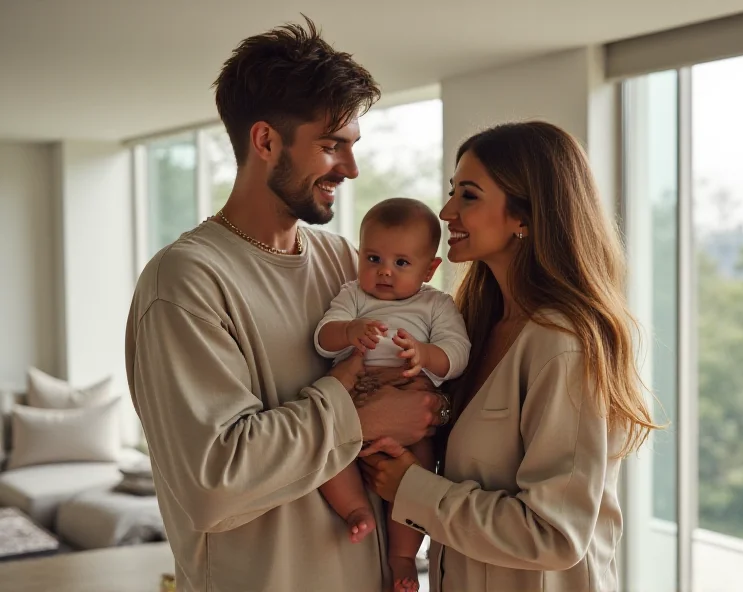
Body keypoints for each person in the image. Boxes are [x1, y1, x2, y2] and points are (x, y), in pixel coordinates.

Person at [125, 18, 446, 592]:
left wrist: (428, 409)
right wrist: (361, 416)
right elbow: (214, 482)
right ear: (266, 141)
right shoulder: (185, 282)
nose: (350, 169)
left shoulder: (343, 260)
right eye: (331, 146)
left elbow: (411, 402)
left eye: (352, 147)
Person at [360, 121, 659, 592]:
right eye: (452, 191)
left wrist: (411, 488)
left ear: (525, 215)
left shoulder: (562, 345)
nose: (446, 211)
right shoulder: (472, 327)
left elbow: (555, 533)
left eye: (469, 195)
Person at [315, 198, 470, 592]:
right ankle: (356, 511)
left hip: (409, 401)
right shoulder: (352, 297)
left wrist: (424, 354)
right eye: (373, 258)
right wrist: (348, 332)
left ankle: (402, 557)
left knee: (416, 473)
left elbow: (456, 355)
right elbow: (323, 338)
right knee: (329, 456)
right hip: (355, 396)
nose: (384, 271)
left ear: (430, 268)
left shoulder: (435, 305)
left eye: (401, 263)